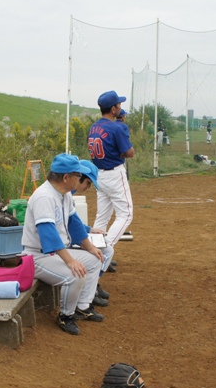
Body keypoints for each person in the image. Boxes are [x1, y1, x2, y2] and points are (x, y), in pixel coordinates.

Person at [22, 153, 108, 335]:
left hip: (54, 253)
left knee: (95, 259)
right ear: (66, 177)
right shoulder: (44, 196)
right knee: (75, 274)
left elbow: (75, 225)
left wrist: (91, 248)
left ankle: (82, 307)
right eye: (78, 175)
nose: (80, 179)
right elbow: (49, 234)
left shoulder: (64, 194)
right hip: (37, 256)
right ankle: (65, 315)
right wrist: (70, 261)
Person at [87, 90, 135, 248]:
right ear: (113, 109)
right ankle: (105, 248)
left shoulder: (94, 127)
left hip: (99, 174)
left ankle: (94, 248)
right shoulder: (116, 128)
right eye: (118, 105)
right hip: (114, 173)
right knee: (126, 214)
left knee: (102, 217)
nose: (120, 107)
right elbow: (130, 152)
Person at [74, 159, 112, 307]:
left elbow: (74, 222)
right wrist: (88, 245)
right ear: (79, 177)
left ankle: (93, 285)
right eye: (88, 183)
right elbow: (69, 227)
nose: (88, 187)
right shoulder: (61, 194)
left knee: (108, 249)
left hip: (68, 240)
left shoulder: (68, 195)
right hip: (60, 246)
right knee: (96, 256)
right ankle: (84, 302)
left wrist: (89, 230)